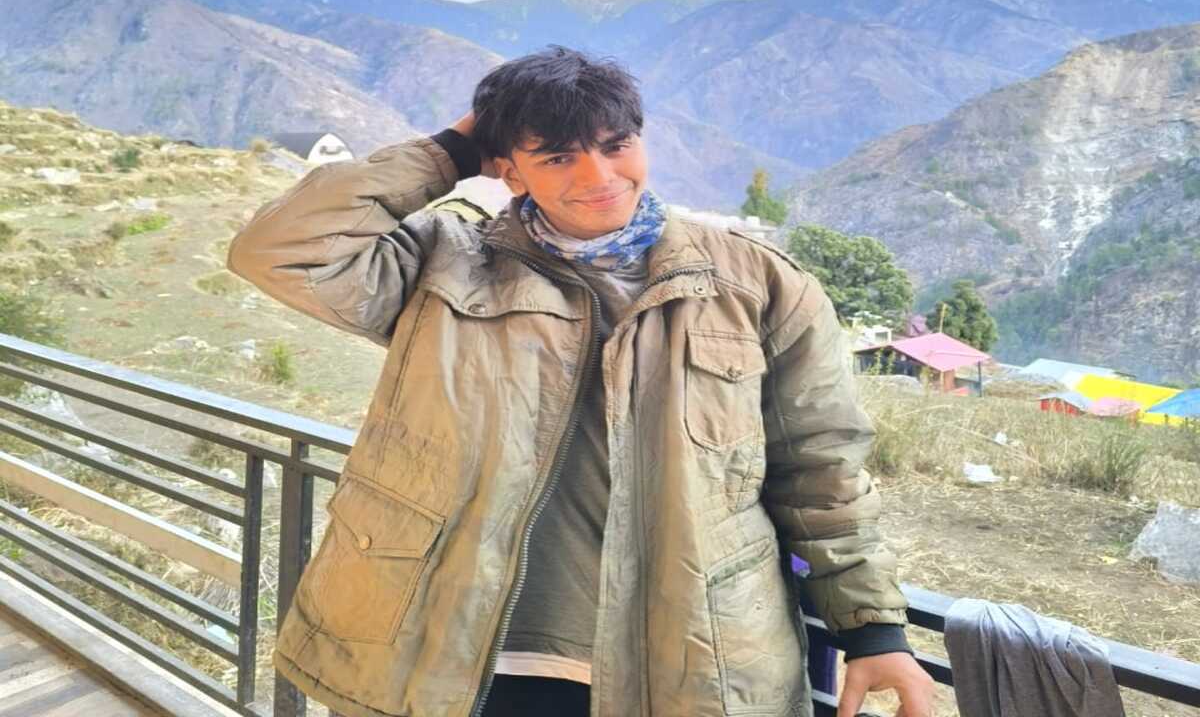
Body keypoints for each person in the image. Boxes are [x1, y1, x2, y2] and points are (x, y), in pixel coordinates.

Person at [227, 46, 934, 717]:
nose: (598, 176)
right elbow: (276, 249)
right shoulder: (443, 264)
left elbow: (819, 470)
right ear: (510, 171)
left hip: (683, 657)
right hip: (458, 654)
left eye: (616, 146)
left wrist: (873, 630)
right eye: (558, 156)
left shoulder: (758, 285)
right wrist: (450, 152)